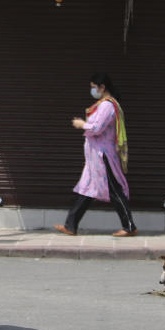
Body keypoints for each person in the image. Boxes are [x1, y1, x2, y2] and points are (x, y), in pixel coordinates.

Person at [54, 72, 137, 237]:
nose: (92, 90)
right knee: (85, 189)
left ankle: (129, 226)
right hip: (95, 157)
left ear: (102, 87)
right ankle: (71, 225)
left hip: (103, 156)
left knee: (114, 189)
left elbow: (97, 128)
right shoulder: (104, 104)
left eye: (93, 87)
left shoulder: (107, 105)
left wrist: (81, 124)